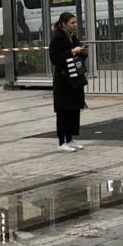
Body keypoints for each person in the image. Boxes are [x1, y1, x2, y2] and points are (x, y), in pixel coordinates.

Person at [48, 12, 87, 152]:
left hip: (74, 78)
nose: (75, 25)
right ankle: (62, 140)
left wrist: (82, 51)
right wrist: (71, 52)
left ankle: (70, 138)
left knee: (74, 109)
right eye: (72, 23)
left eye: (75, 23)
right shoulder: (58, 39)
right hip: (63, 80)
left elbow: (79, 56)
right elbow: (55, 59)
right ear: (63, 24)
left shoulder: (73, 37)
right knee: (63, 110)